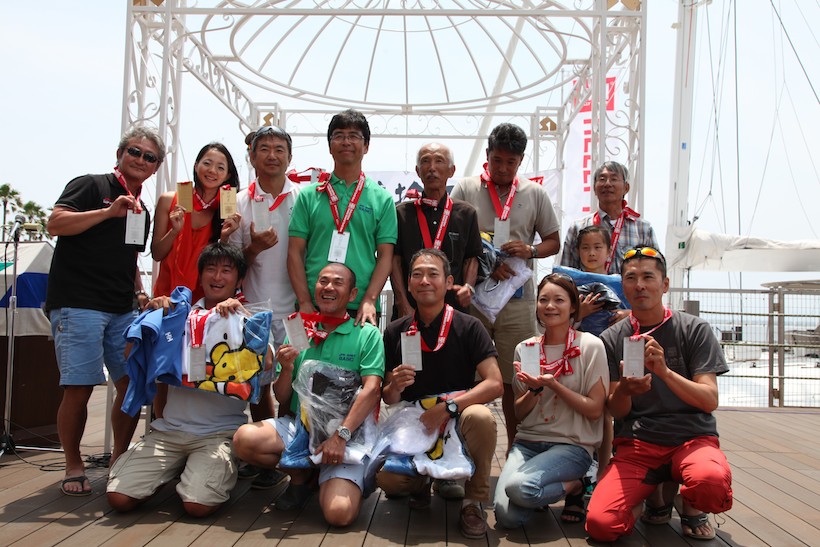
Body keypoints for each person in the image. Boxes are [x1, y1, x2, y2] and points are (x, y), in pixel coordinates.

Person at [45, 126, 163, 496]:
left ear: (156, 167)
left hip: (122, 307)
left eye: (149, 157)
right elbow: (55, 223)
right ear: (119, 154)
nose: (140, 159)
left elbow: (129, 257)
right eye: (134, 151)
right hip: (78, 302)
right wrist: (107, 212)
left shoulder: (142, 209)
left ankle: (118, 459)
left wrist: (139, 292)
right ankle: (73, 464)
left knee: (131, 385)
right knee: (79, 386)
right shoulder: (90, 185)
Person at [586, 247, 733, 542]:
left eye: (648, 277)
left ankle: (691, 505)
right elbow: (617, 410)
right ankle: (651, 496)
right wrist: (625, 390)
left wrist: (665, 372)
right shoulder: (611, 338)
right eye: (631, 278)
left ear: (664, 284)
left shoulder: (694, 329)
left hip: (692, 438)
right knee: (601, 524)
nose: (639, 285)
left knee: (711, 483)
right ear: (623, 286)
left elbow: (709, 400)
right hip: (638, 444)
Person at [107, 242, 264, 517]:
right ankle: (178, 467)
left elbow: (267, 366)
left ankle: (196, 470)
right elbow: (130, 354)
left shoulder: (247, 320)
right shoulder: (178, 316)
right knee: (118, 498)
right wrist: (151, 316)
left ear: (239, 279)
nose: (217, 277)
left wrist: (244, 318)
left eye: (227, 270)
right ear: (200, 277)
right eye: (210, 269)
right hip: (169, 431)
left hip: (219, 434)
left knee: (197, 506)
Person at [232, 262, 384, 526]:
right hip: (301, 428)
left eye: (337, 282)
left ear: (352, 294)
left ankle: (343, 477)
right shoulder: (299, 329)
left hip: (347, 435)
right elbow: (282, 397)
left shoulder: (366, 334)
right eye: (323, 281)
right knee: (244, 439)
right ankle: (301, 479)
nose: (328, 287)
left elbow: (372, 390)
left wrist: (341, 436)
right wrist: (287, 368)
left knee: (339, 514)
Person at [450, 122, 561, 450]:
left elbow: (553, 241)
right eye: (497, 160)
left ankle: (518, 452)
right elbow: (452, 238)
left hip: (518, 302)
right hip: (473, 301)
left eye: (510, 162)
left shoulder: (535, 193)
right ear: (487, 155)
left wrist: (530, 250)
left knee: (519, 379)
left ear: (520, 160)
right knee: (469, 377)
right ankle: (463, 453)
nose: (502, 168)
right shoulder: (466, 188)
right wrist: (486, 263)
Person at [379, 248, 503, 538]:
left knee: (481, 417)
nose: (424, 281)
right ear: (408, 284)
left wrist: (448, 407)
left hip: (456, 416)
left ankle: (473, 502)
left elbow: (495, 383)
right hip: (416, 424)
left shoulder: (469, 326)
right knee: (387, 480)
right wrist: (394, 386)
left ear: (448, 282)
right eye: (417, 275)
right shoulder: (396, 330)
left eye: (432, 274)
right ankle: (422, 481)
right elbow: (387, 397)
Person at [493, 273, 608, 528]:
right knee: (506, 516)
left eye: (559, 300)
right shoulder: (526, 348)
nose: (550, 306)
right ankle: (556, 488)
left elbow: (595, 410)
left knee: (519, 488)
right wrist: (534, 391)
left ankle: (577, 483)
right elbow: (519, 413)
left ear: (573, 307)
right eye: (543, 299)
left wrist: (554, 385)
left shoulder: (590, 346)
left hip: (572, 445)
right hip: (527, 443)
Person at [228, 125, 301, 489]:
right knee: (257, 383)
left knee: (294, 380)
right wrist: (254, 247)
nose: (272, 155)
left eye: (279, 149)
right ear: (252, 156)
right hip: (253, 309)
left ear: (290, 157)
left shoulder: (304, 198)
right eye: (265, 149)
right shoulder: (237, 201)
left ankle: (290, 454)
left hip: (296, 310)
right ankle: (265, 459)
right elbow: (230, 261)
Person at [288, 109, 397, 327]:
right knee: (299, 352)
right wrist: (304, 301)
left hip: (361, 308)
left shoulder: (382, 199)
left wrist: (370, 299)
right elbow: (294, 252)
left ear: (366, 146)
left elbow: (386, 256)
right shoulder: (309, 196)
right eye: (339, 136)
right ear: (330, 146)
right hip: (314, 304)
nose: (346, 142)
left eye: (354, 136)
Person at [392, 142, 482, 317]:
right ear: (418, 171)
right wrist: (402, 302)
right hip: (411, 309)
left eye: (439, 161)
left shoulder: (466, 213)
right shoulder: (402, 213)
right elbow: (394, 260)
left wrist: (468, 287)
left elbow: (471, 258)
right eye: (425, 161)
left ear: (451, 170)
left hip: (453, 308)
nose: (432, 168)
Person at [152, 142, 241, 303]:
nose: (212, 170)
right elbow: (157, 254)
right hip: (166, 299)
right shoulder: (170, 201)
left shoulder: (228, 210)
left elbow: (224, 263)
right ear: (196, 165)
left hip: (205, 302)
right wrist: (174, 231)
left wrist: (225, 238)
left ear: (228, 175)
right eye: (207, 163)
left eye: (220, 167)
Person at [560, 161, 659, 275]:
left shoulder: (643, 229)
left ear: (626, 188)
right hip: (589, 287)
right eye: (602, 179)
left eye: (614, 179)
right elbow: (566, 275)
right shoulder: (578, 228)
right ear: (594, 188)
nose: (607, 184)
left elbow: (656, 271)